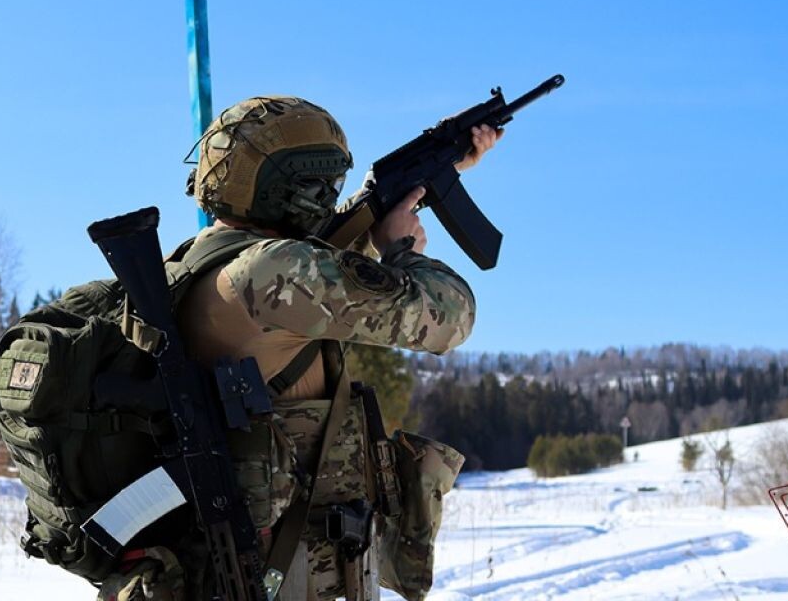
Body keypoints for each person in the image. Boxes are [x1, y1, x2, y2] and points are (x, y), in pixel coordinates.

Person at [99, 95, 500, 601]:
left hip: (226, 569)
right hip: (285, 574)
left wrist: (430, 173)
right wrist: (401, 250)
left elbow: (329, 261)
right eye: (324, 186)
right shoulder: (274, 272)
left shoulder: (193, 267)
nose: (330, 198)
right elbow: (449, 317)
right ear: (298, 190)